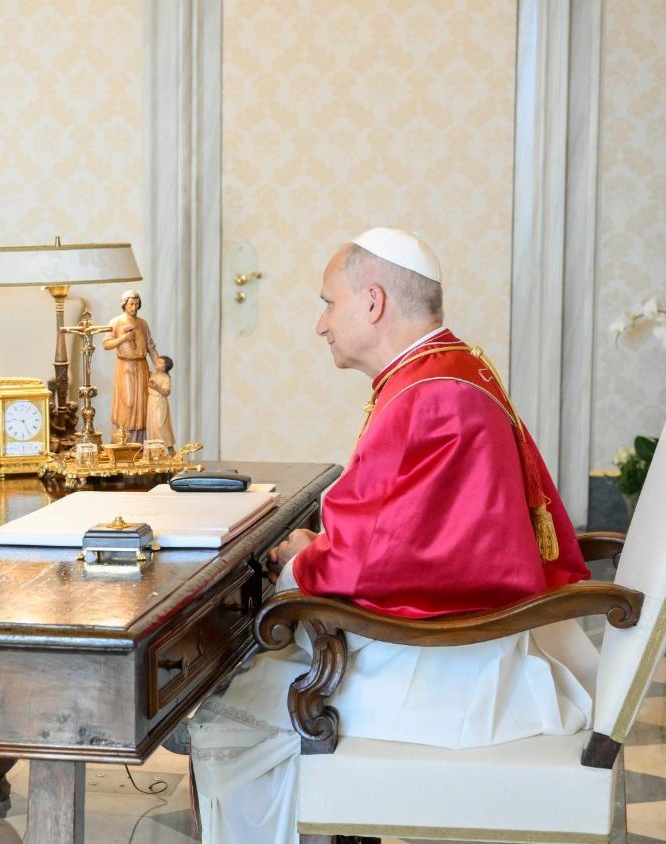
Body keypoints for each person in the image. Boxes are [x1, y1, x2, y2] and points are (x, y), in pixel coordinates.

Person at [189, 228, 594, 844]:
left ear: (373, 303)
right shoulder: (450, 367)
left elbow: (374, 557)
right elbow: (405, 539)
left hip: (450, 670)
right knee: (244, 683)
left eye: (328, 303)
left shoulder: (427, 396)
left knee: (228, 718)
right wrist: (319, 550)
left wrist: (302, 561)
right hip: (461, 635)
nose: (320, 325)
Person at [102, 290, 160, 443]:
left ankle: (139, 444)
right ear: (124, 305)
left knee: (142, 404)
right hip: (125, 366)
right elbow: (106, 344)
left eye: (137, 304)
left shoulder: (142, 323)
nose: (134, 307)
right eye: (131, 304)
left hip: (141, 366)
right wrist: (123, 338)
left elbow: (151, 347)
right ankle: (122, 441)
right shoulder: (116, 322)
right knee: (128, 402)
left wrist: (159, 365)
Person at [146, 355, 175, 450]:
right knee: (152, 426)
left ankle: (170, 449)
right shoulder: (152, 374)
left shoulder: (166, 378)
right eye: (157, 361)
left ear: (165, 367)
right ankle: (155, 451)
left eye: (160, 362)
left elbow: (166, 392)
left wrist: (156, 387)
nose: (157, 363)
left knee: (160, 425)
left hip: (160, 403)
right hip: (151, 402)